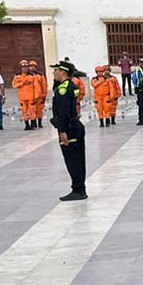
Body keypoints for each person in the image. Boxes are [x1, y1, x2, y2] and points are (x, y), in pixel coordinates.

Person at [49, 60, 88, 201]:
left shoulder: (63, 89)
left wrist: (62, 131)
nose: (54, 73)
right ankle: (80, 188)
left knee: (73, 160)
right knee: (78, 159)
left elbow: (64, 113)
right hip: (75, 125)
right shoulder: (70, 85)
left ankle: (77, 190)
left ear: (63, 72)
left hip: (69, 128)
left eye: (56, 71)